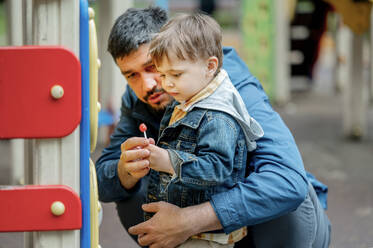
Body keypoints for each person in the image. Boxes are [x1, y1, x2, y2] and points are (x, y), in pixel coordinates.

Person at [96, 6, 331, 248]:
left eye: (152, 67)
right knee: (130, 185)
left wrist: (189, 221)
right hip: (212, 227)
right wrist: (125, 170)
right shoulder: (141, 97)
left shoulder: (231, 88)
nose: (147, 85)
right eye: (131, 75)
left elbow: (287, 182)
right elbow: (102, 180)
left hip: (287, 228)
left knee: (281, 201)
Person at [139, 12, 264, 247]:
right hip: (186, 229)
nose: (167, 83)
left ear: (210, 66)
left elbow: (216, 168)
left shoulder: (218, 115)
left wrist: (167, 160)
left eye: (176, 74)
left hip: (205, 236)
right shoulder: (188, 98)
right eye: (163, 74)